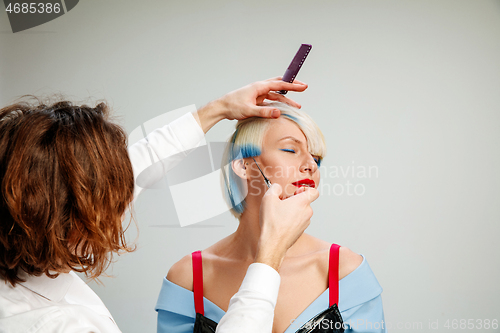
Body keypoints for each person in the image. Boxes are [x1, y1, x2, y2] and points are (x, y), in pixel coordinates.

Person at [0, 78, 318, 333]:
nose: (310, 166)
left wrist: (220, 108)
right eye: (291, 150)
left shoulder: (27, 225)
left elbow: (139, 162)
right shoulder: (57, 325)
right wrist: (269, 257)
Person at [156, 102, 387, 333]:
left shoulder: (346, 271)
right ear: (244, 165)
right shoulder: (189, 278)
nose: (310, 166)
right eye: (290, 150)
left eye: (316, 158)